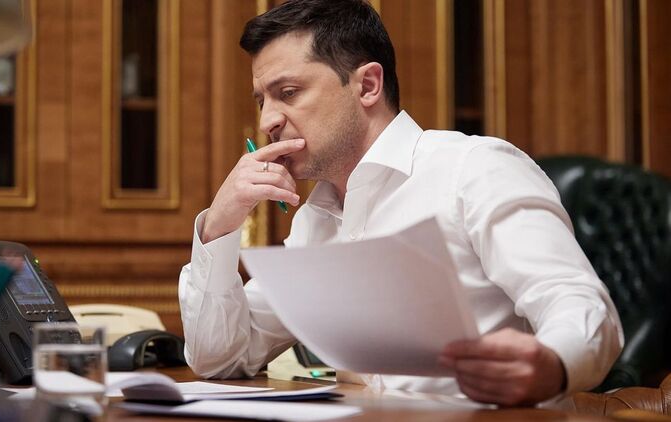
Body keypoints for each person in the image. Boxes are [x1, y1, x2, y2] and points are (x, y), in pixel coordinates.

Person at [179, 0, 623, 406]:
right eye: (262, 100)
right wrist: (219, 224)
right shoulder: (316, 218)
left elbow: (583, 307)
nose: (267, 121)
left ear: (368, 85)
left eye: (288, 92)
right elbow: (221, 359)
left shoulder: (474, 168)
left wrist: (552, 364)